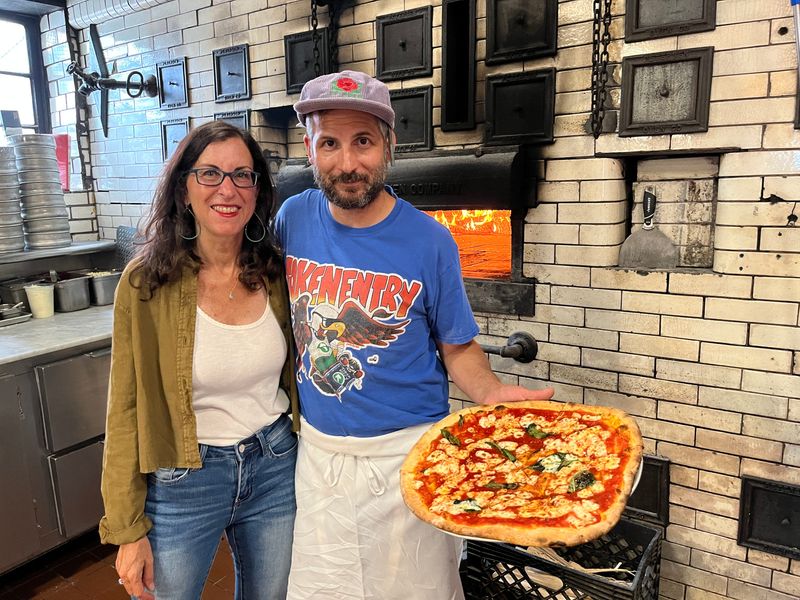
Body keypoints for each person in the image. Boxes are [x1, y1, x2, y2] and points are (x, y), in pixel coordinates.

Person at [274, 70, 555, 600]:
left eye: (363, 141)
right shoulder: (293, 218)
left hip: (409, 456)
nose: (347, 163)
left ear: (389, 145)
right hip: (318, 457)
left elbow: (457, 345)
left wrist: (492, 391)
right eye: (329, 143)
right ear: (309, 148)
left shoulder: (431, 240)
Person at [100, 120, 299, 600]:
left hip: (275, 466)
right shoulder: (145, 284)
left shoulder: (277, 272)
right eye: (210, 173)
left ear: (256, 191)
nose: (227, 189)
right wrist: (127, 527)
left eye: (242, 175)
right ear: (183, 190)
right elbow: (124, 408)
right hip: (182, 479)